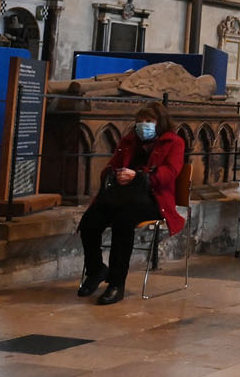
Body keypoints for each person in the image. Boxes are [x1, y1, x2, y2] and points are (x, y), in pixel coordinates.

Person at [77, 101, 184, 305]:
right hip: (122, 195)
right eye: (139, 121)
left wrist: (138, 176)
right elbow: (110, 167)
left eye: (148, 121)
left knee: (123, 221)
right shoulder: (129, 140)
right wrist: (114, 174)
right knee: (90, 221)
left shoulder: (174, 142)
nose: (143, 125)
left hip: (153, 198)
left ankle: (116, 283)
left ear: (159, 123)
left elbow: (169, 173)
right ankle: (96, 270)